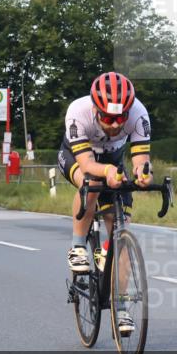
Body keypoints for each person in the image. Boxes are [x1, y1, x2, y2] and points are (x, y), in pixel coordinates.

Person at [57, 72, 152, 336]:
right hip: (77, 156)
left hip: (113, 158)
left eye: (120, 118)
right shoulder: (78, 111)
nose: (114, 124)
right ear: (96, 110)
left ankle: (121, 307)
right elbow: (87, 164)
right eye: (108, 118)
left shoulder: (139, 113)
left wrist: (144, 174)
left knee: (121, 234)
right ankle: (78, 246)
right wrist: (107, 172)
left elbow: (141, 158)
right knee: (92, 182)